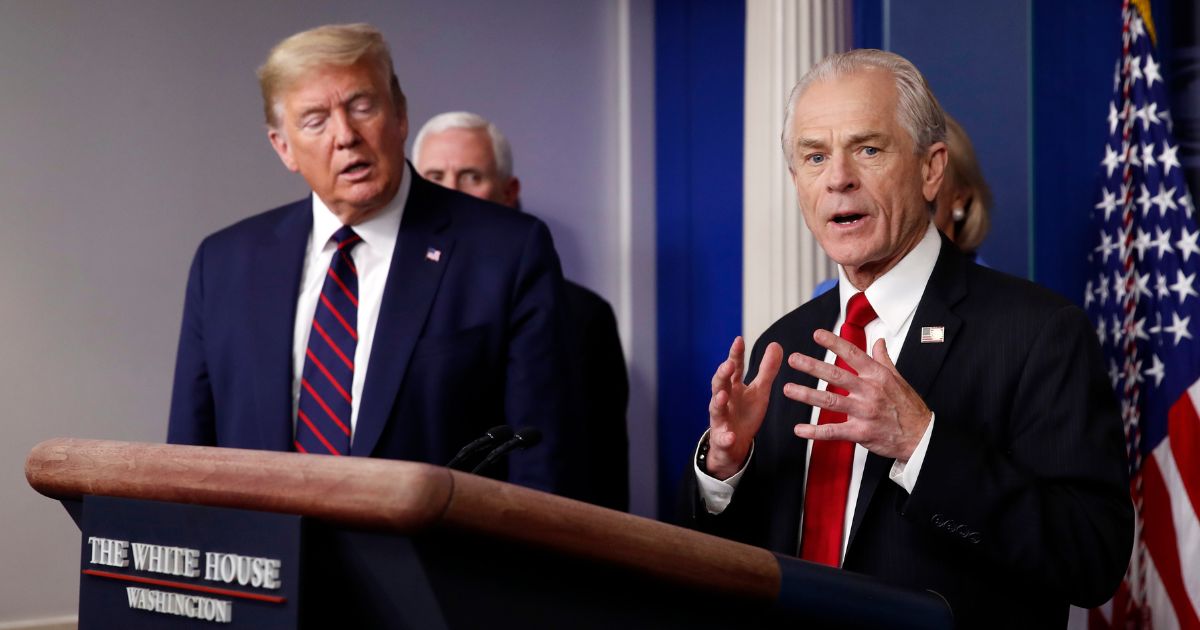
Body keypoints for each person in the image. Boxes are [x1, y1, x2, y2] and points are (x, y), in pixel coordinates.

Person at [682, 49, 1132, 627]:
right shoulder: (786, 343)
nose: (838, 178)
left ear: (930, 169)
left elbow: (1091, 558)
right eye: (814, 156)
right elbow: (736, 567)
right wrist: (725, 469)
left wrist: (921, 444)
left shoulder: (1038, 333)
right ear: (797, 181)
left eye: (868, 149)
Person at [167, 24, 577, 495]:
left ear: (400, 115)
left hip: (437, 564)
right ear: (283, 147)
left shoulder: (507, 251)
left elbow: (543, 465)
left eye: (362, 107)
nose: (346, 136)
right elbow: (188, 462)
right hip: (265, 562)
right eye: (316, 120)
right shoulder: (223, 265)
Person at [412, 111, 630, 511]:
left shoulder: (585, 316)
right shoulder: (388, 305)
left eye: (471, 176)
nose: (452, 192)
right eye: (434, 178)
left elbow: (602, 473)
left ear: (508, 190)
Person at [813, 112, 992, 297]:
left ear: (959, 197)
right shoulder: (827, 295)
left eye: (870, 151)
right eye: (817, 158)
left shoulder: (996, 299)